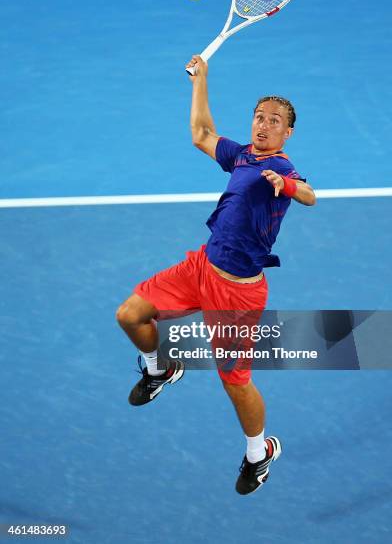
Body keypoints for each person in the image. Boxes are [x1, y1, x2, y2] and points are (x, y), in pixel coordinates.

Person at [116, 55, 316, 495]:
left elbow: (309, 195)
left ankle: (258, 453)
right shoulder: (243, 156)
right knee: (130, 315)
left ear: (288, 132)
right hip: (200, 267)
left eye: (275, 120)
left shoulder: (280, 168)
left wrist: (287, 186)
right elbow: (202, 134)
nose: (264, 125)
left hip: (237, 297)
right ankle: (160, 368)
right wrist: (201, 80)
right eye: (259, 117)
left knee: (234, 380)